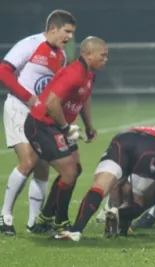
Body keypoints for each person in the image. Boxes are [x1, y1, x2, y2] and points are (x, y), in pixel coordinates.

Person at [0, 9, 76, 235]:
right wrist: (29, 98)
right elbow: (4, 72)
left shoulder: (61, 56)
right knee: (29, 160)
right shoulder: (30, 44)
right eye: (67, 31)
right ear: (53, 28)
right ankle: (5, 216)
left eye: (72, 33)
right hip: (18, 107)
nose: (70, 37)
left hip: (38, 116)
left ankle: (34, 223)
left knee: (43, 166)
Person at [24, 36, 108, 233]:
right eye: (102, 55)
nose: (106, 59)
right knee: (69, 172)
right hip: (41, 125)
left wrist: (88, 125)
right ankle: (60, 221)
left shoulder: (89, 73)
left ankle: (45, 217)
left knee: (75, 169)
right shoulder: (75, 73)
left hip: (56, 126)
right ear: (88, 54)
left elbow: (84, 98)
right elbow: (51, 103)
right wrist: (65, 127)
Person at [55, 126, 155, 241]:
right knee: (139, 201)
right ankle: (120, 215)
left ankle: (75, 231)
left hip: (123, 137)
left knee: (101, 186)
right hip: (149, 146)